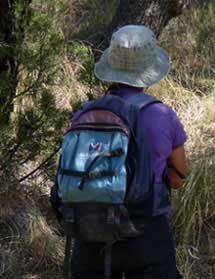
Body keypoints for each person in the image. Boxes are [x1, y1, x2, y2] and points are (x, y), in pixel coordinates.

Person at [70, 25, 187, 279]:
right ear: (150, 71)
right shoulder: (162, 115)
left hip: (90, 232)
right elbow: (178, 178)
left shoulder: (84, 113)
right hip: (147, 232)